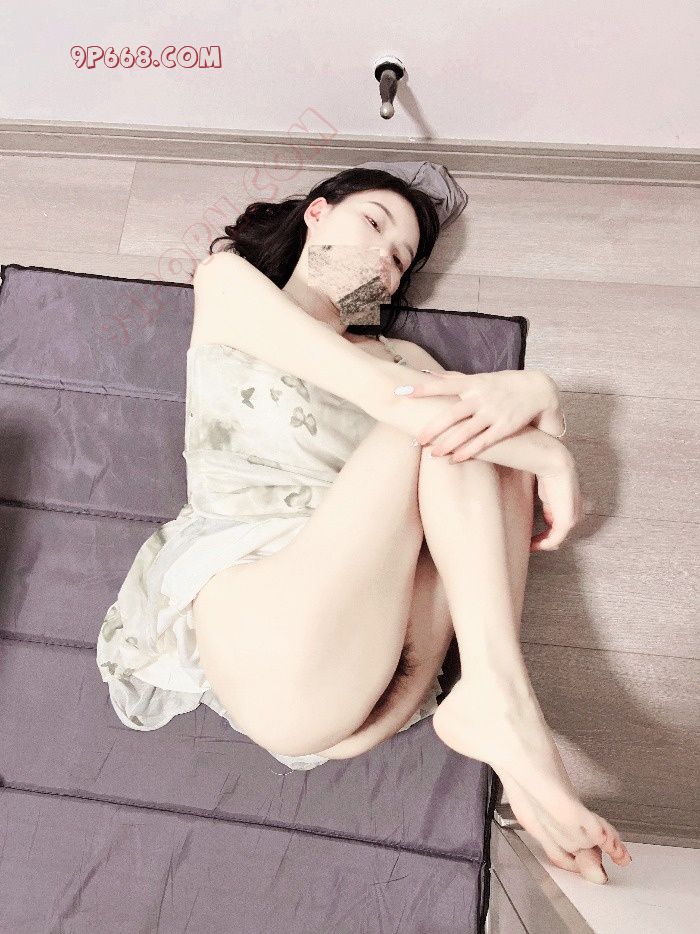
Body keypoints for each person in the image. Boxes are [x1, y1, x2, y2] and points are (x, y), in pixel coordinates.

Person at [97, 167, 631, 884]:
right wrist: (544, 431)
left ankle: (495, 699)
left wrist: (532, 403)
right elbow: (403, 407)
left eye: (401, 258)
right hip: (271, 625)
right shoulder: (229, 285)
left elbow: (445, 422)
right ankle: (504, 704)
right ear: (316, 214)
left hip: (380, 681)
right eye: (374, 223)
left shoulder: (407, 360)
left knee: (476, 444)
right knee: (449, 424)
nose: (383, 256)